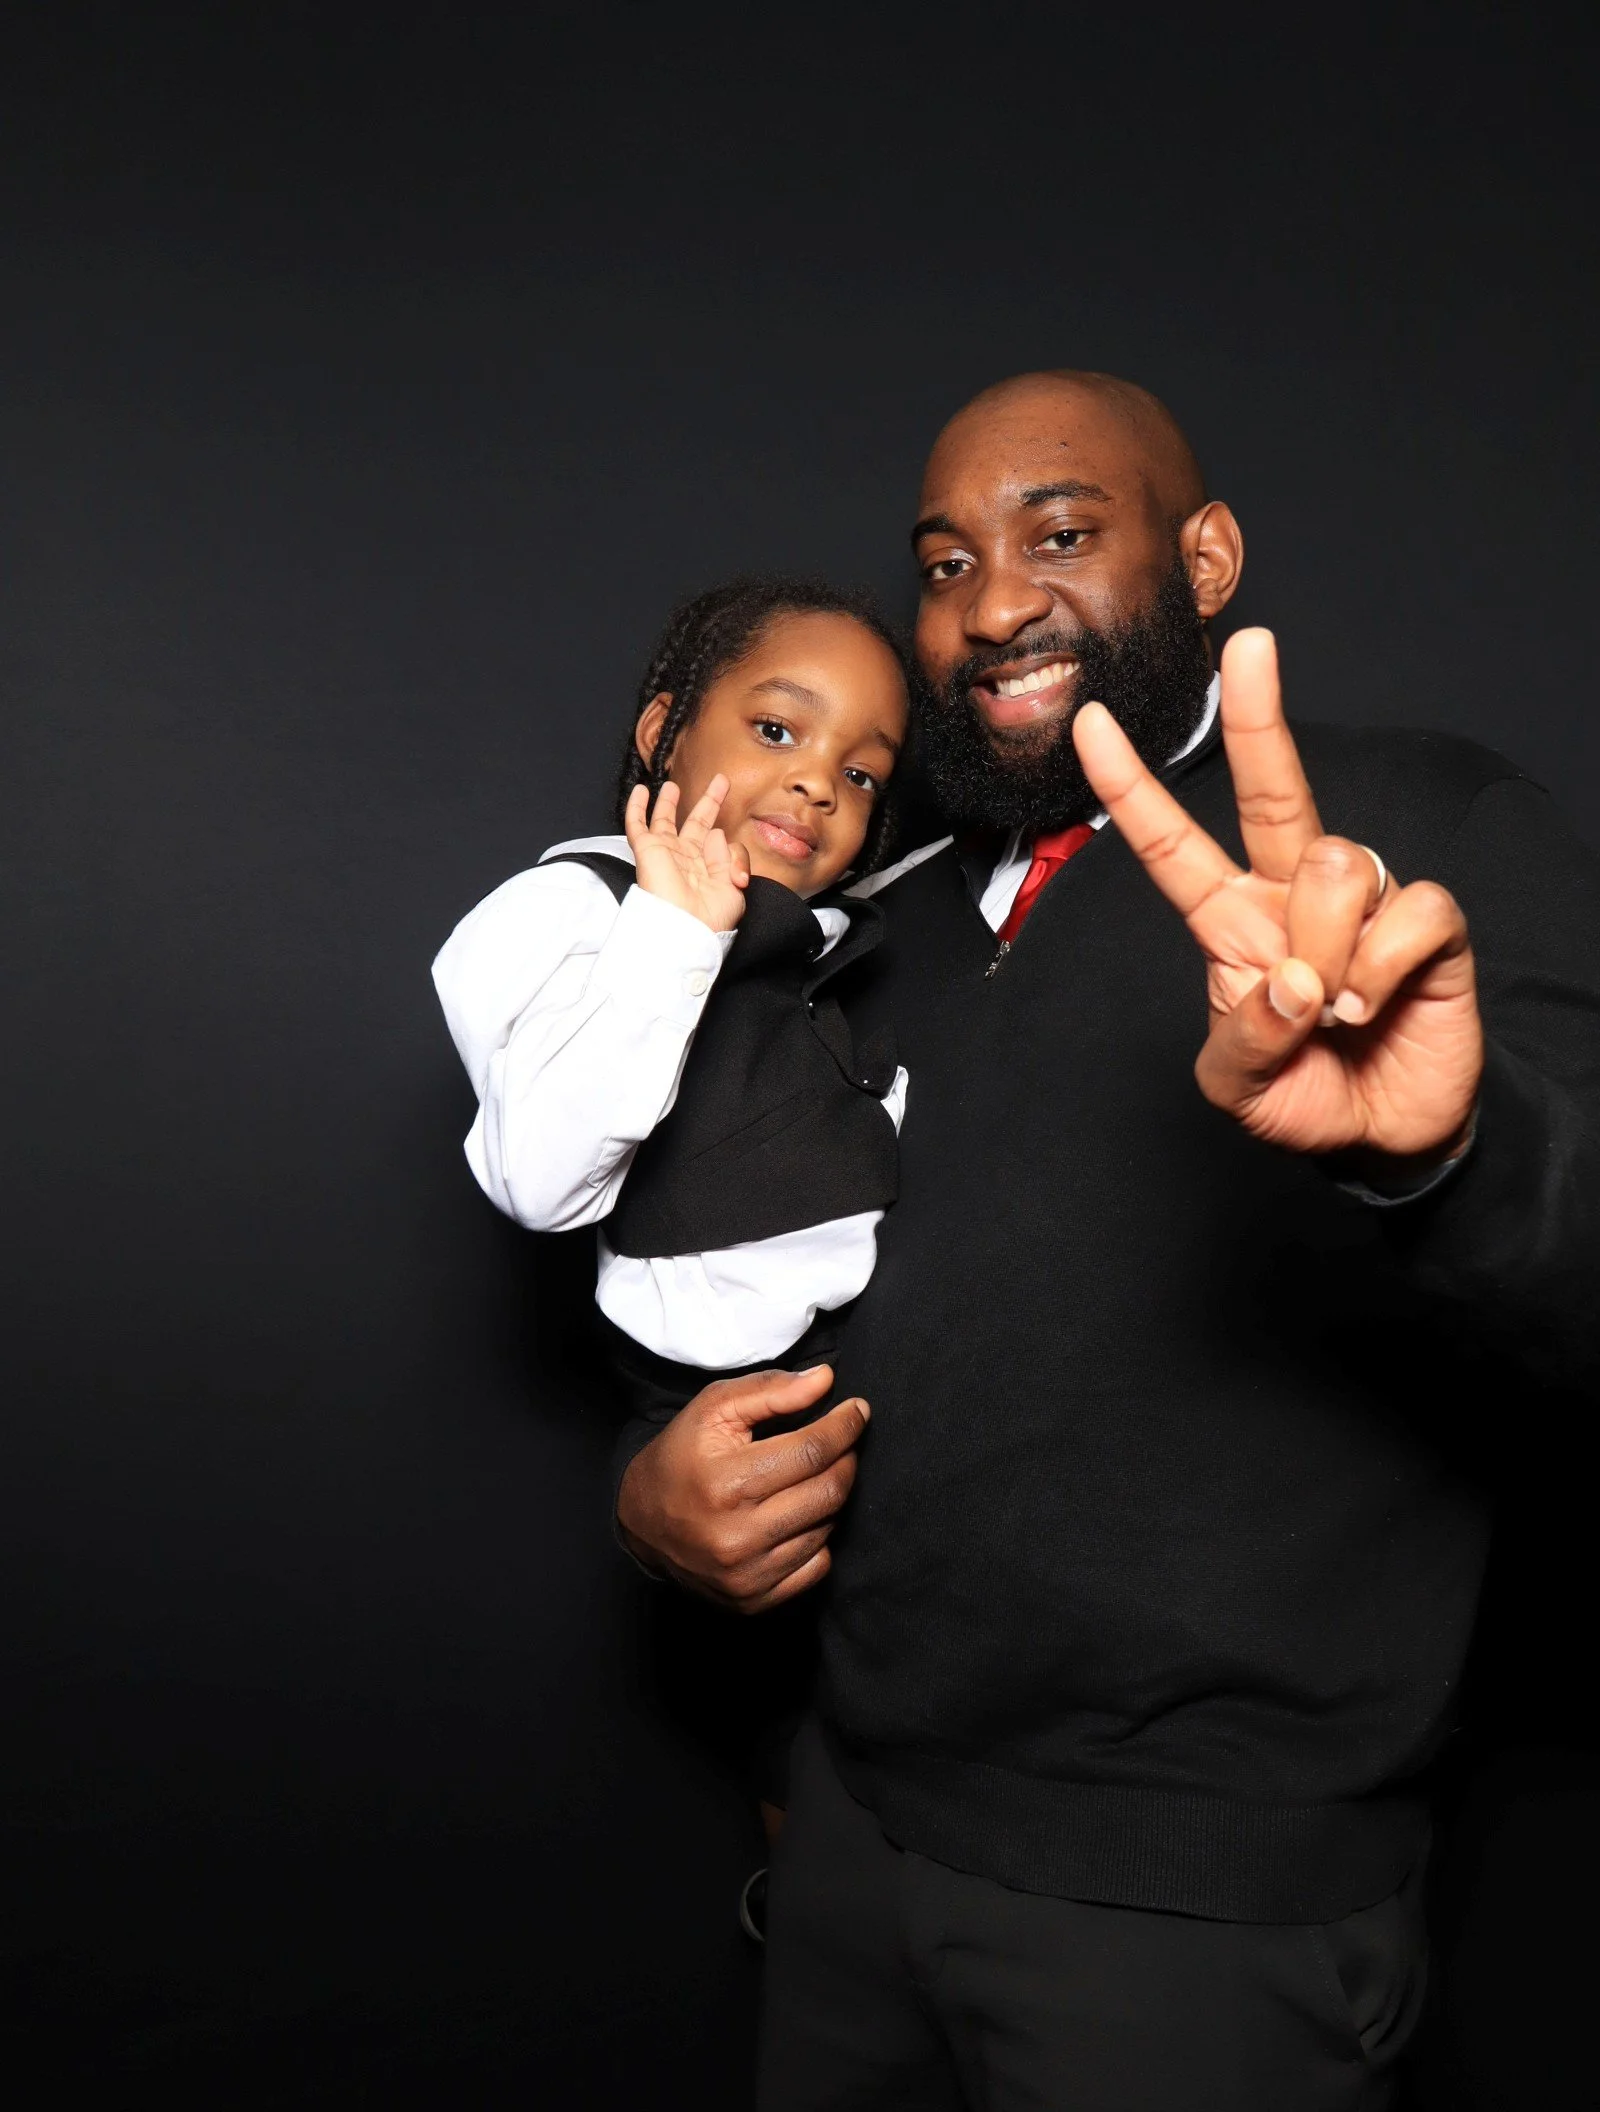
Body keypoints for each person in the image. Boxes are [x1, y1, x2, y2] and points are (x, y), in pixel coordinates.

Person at [614, 373, 1600, 2108]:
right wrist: (657, 1489)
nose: (991, 603)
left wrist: (1447, 1146)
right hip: (852, 1846)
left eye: (1059, 535)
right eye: (942, 564)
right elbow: (745, 1270)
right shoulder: (869, 917)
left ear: (1203, 558)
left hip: (1198, 1922)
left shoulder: (1415, 830)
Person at [432, 576, 909, 1910]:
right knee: (780, 1706)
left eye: (863, 771)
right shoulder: (566, 913)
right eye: (778, 731)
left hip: (869, 1363)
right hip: (718, 1386)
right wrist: (675, 932)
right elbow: (540, 1179)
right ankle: (809, 1913)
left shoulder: (834, 939)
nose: (819, 784)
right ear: (662, 734)